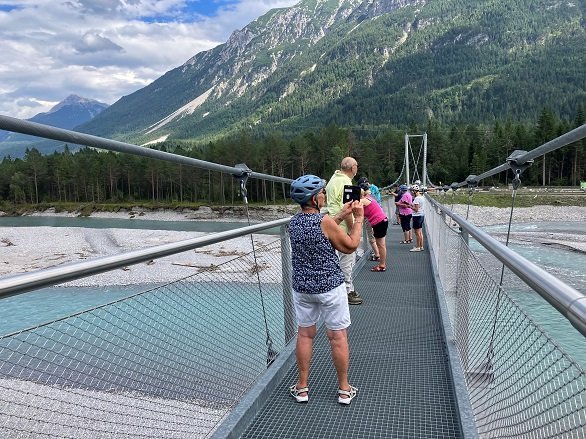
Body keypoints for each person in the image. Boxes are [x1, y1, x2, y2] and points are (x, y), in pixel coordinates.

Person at [288, 174, 363, 405]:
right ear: (313, 199)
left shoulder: (293, 223)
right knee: (337, 337)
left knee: (305, 334)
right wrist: (358, 218)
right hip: (330, 287)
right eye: (321, 193)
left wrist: (342, 213)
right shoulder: (325, 223)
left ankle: (301, 388)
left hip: (303, 288)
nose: (324, 195)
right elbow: (350, 246)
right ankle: (343, 389)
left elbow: (323, 225)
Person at [326, 157, 363, 305]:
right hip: (342, 228)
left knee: (336, 261)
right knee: (347, 260)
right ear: (352, 167)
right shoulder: (346, 182)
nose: (357, 168)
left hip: (332, 224)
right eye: (357, 166)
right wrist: (353, 229)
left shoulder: (333, 179)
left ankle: (344, 289)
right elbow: (348, 209)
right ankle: (347, 292)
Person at [360, 188, 389, 271]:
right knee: (381, 244)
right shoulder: (369, 198)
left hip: (379, 222)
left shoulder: (363, 201)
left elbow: (353, 206)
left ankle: (382, 266)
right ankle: (382, 264)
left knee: (381, 245)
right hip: (381, 221)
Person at [357, 177, 379, 262]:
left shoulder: (364, 199)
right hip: (377, 218)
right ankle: (377, 252)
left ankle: (377, 255)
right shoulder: (371, 195)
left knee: (371, 237)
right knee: (376, 236)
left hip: (370, 218)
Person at [410, 184, 425, 251]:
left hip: (417, 216)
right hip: (421, 215)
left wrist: (409, 206)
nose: (411, 192)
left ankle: (418, 247)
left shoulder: (416, 198)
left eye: (412, 191)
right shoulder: (421, 197)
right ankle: (421, 246)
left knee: (417, 233)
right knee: (420, 232)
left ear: (414, 191)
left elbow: (416, 209)